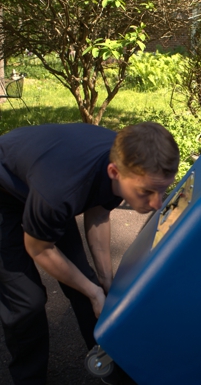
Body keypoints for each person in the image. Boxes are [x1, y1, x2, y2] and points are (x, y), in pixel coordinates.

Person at [0, 121, 179, 384]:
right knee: (27, 302)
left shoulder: (126, 160)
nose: (156, 204)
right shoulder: (61, 190)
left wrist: (105, 281)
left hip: (42, 185)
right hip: (5, 192)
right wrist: (94, 291)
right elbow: (38, 248)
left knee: (90, 284)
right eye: (147, 192)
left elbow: (98, 214)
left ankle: (114, 367)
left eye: (163, 190)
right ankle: (29, 379)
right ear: (114, 172)